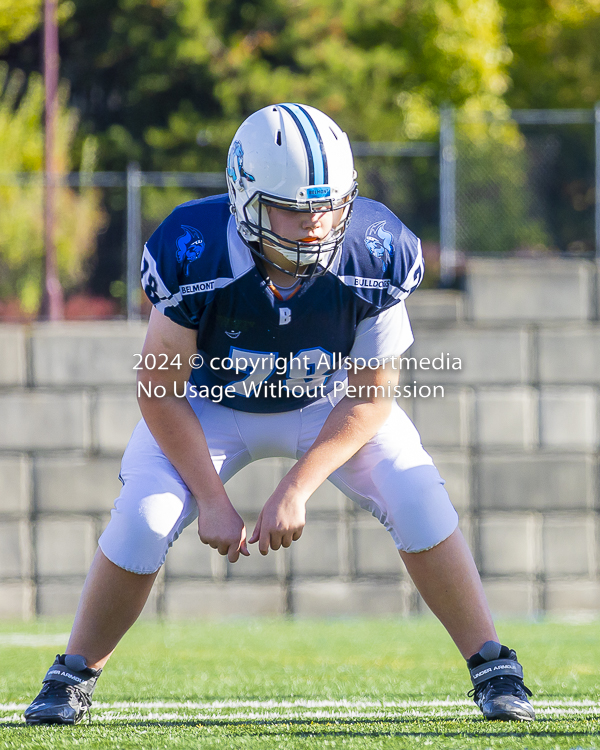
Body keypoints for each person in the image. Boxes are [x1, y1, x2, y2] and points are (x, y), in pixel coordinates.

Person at [25, 103, 535, 725]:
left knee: (418, 493)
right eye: (294, 208)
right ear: (245, 197)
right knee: (144, 517)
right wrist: (211, 499)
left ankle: (492, 664)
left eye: (327, 206)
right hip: (208, 404)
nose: (316, 226)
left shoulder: (376, 250)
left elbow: (372, 394)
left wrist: (298, 485)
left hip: (328, 401)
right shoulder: (195, 250)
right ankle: (72, 673)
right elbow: (158, 390)